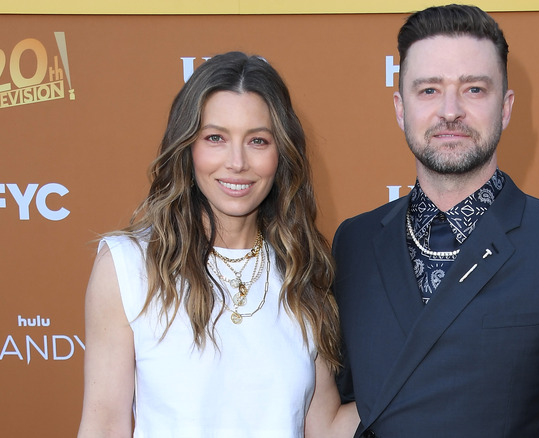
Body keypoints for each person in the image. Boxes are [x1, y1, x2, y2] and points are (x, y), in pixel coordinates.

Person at [332, 5, 539, 438]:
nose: (450, 111)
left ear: (506, 107)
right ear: (400, 108)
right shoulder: (354, 243)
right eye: (429, 90)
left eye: (473, 89)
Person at [77, 51, 358, 437]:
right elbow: (104, 425)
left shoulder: (302, 271)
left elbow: (323, 428)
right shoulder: (128, 265)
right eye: (215, 138)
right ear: (187, 147)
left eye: (258, 140)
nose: (237, 162)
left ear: (282, 153)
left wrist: (426, 377)